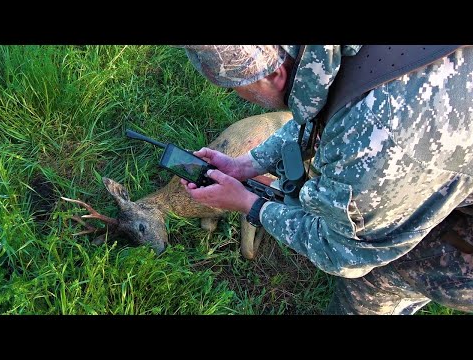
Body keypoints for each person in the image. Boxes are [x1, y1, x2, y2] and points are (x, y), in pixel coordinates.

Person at [177, 45, 473, 315]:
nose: (236, 95)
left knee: (375, 277)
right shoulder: (328, 56)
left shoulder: (374, 140)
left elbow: (342, 252)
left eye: (234, 88)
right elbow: (326, 104)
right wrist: (246, 165)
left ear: (275, 73)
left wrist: (250, 204)